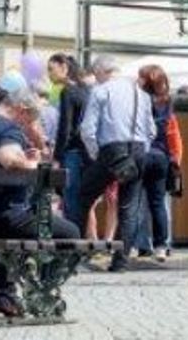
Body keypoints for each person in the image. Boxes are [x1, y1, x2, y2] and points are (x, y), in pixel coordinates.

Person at [0, 88, 82, 317]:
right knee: (71, 232)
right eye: (30, 119)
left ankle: (6, 295)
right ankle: (41, 290)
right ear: (21, 111)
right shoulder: (8, 129)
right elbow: (8, 158)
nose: (29, 125)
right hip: (2, 217)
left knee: (13, 235)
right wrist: (32, 164)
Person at [74, 55, 154, 273]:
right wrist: (141, 151)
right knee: (128, 207)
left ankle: (73, 254)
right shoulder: (141, 94)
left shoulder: (101, 90)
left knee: (83, 197)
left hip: (111, 150)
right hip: (137, 149)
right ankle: (121, 261)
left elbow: (87, 130)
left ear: (101, 71)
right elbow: (152, 131)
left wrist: (95, 154)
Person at [136, 64, 183, 260]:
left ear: (146, 81)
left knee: (136, 202)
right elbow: (174, 136)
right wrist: (176, 160)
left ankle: (140, 244)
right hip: (162, 157)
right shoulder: (168, 104)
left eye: (140, 78)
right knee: (159, 204)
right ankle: (162, 245)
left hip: (141, 154)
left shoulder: (139, 102)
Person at [50, 53, 90, 227]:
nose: (49, 74)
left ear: (64, 68)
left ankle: (72, 240)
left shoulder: (68, 91)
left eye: (51, 69)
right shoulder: (86, 90)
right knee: (82, 198)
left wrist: (57, 156)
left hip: (72, 151)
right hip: (87, 151)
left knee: (70, 196)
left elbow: (65, 127)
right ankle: (79, 236)